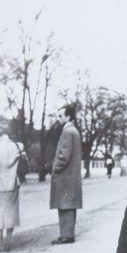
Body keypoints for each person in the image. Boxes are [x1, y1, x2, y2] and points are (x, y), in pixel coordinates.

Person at [50, 105, 82, 245]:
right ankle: (68, 234)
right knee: (69, 205)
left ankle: (66, 236)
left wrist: (56, 168)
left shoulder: (67, 132)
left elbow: (64, 155)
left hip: (65, 175)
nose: (59, 118)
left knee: (64, 205)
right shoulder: (74, 131)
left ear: (68, 117)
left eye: (61, 115)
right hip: (71, 176)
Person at [0, 122, 26, 252]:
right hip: (12, 184)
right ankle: (7, 243)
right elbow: (24, 161)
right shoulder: (18, 146)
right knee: (11, 213)